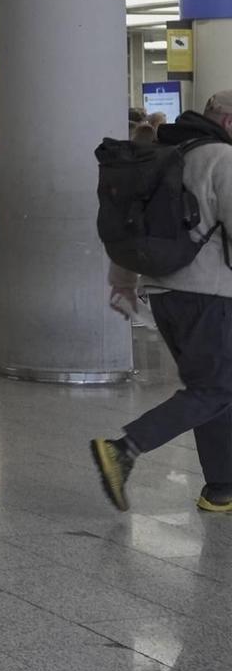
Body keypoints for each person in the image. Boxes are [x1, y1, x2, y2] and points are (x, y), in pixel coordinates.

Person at [94, 95, 232, 512]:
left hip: (164, 292)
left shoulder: (165, 155)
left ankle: (221, 487)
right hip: (210, 294)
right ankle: (125, 449)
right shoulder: (222, 158)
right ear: (228, 119)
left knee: (213, 387)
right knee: (215, 388)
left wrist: (122, 281)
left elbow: (131, 224)